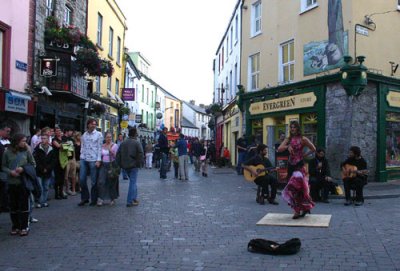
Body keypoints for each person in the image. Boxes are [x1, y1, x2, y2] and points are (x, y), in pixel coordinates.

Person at [1, 133, 36, 236]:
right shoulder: (7, 152)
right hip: (12, 182)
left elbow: (33, 164)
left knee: (24, 205)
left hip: (23, 182)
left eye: (25, 141)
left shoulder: (26, 151)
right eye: (23, 141)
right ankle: (15, 225)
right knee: (13, 206)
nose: (25, 143)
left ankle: (24, 226)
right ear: (17, 142)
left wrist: (23, 168)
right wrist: (10, 172)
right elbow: (3, 166)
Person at [116, 127, 144, 207]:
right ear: (135, 134)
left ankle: (134, 198)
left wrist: (119, 164)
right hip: (133, 165)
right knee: (133, 182)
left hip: (125, 166)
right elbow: (141, 154)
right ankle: (129, 201)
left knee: (133, 182)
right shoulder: (137, 143)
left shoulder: (123, 143)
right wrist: (140, 163)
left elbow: (118, 154)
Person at [78, 119, 103, 207]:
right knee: (81, 179)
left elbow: (100, 148)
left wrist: (98, 160)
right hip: (84, 158)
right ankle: (85, 198)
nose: (93, 126)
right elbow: (83, 146)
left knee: (93, 181)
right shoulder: (84, 135)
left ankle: (94, 199)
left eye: (95, 124)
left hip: (93, 159)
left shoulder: (99, 134)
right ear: (88, 124)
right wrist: (81, 156)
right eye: (92, 124)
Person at [33, 133, 55, 208]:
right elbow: (36, 160)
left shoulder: (51, 149)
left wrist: (48, 168)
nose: (43, 140)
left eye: (44, 138)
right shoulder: (37, 148)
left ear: (48, 139)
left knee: (46, 187)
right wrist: (42, 168)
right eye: (41, 138)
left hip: (48, 171)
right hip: (39, 171)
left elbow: (53, 161)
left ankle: (44, 201)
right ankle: (40, 201)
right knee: (40, 187)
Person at [97, 132, 119, 206]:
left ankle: (112, 199)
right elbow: (100, 155)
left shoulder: (115, 146)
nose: (109, 139)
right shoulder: (102, 146)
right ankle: (101, 198)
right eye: (107, 137)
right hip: (103, 165)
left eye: (110, 137)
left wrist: (111, 151)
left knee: (111, 182)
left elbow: (117, 156)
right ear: (105, 138)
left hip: (111, 165)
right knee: (101, 181)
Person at [51, 127, 67, 200]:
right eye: (57, 131)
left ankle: (61, 192)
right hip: (56, 160)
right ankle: (56, 194)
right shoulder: (54, 140)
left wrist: (65, 145)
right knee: (57, 178)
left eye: (60, 131)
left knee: (62, 177)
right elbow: (58, 146)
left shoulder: (63, 139)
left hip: (63, 160)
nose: (59, 132)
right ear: (55, 132)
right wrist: (66, 145)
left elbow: (69, 147)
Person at [0, 123, 11, 212]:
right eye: (7, 131)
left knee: (6, 188)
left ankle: (5, 204)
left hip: (7, 168)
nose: (8, 133)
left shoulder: (8, 141)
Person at [62, 128, 77, 196]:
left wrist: (74, 158)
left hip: (72, 159)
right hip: (66, 159)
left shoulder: (72, 139)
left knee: (73, 175)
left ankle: (70, 189)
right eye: (71, 131)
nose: (71, 132)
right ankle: (65, 189)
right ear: (67, 131)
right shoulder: (63, 138)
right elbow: (64, 148)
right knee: (66, 176)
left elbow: (73, 149)